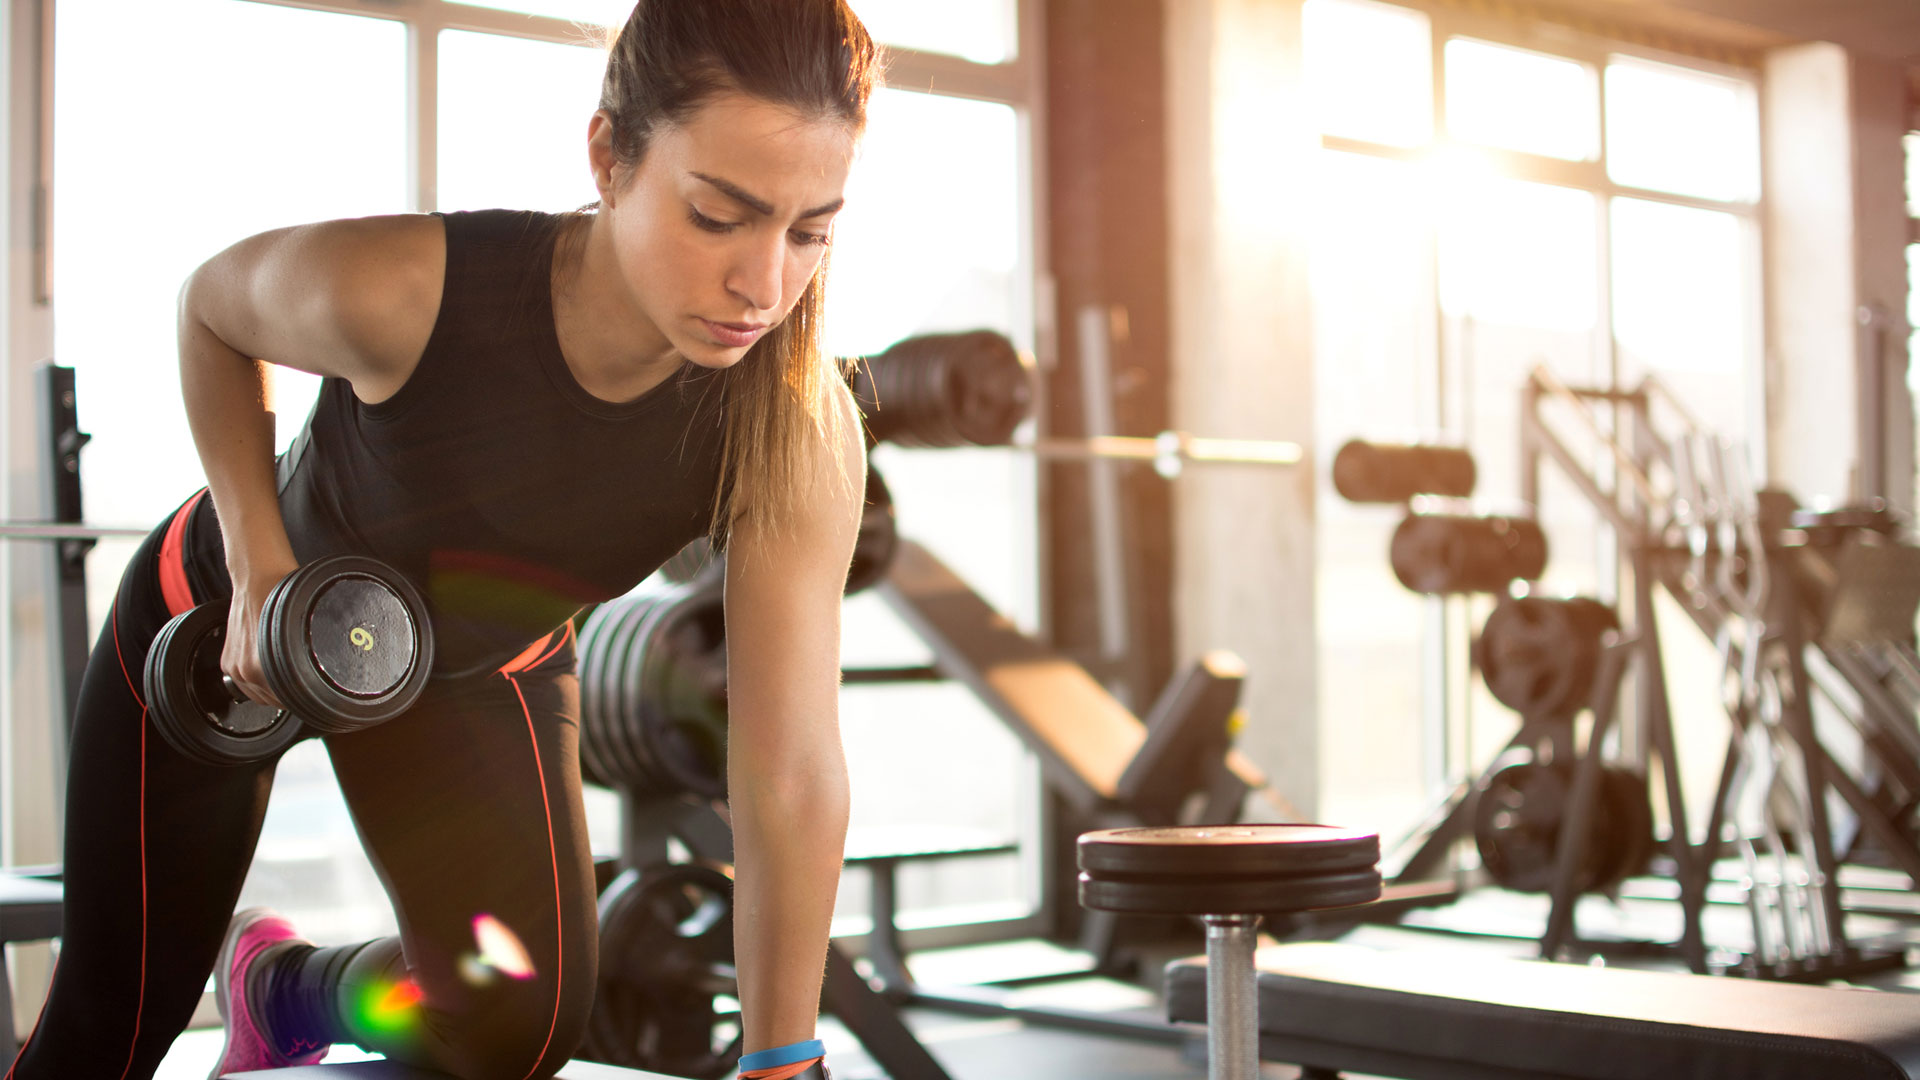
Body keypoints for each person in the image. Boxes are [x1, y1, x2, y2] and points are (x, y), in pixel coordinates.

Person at [4, 1, 878, 1077]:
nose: (765, 285)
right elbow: (212, 311)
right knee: (107, 1035)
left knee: (515, 1033)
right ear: (609, 156)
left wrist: (781, 1052)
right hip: (232, 627)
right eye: (718, 217)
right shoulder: (412, 290)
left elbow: (787, 763)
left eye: (809, 231)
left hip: (464, 669)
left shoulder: (792, 423)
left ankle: (284, 991)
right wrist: (260, 567)